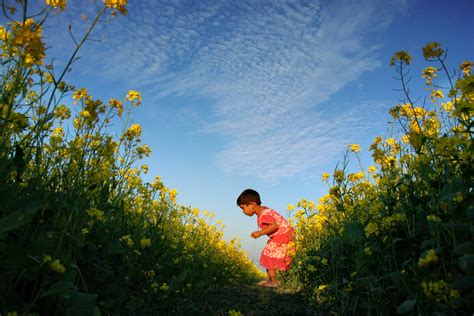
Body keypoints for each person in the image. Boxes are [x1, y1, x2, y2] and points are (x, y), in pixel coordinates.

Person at [237, 189, 295, 288]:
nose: (243, 212)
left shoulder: (263, 214)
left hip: (282, 236)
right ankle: (269, 279)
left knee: (268, 256)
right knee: (268, 254)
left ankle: (273, 282)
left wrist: (260, 233)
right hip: (283, 234)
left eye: (243, 208)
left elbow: (274, 226)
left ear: (252, 204)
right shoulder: (264, 210)